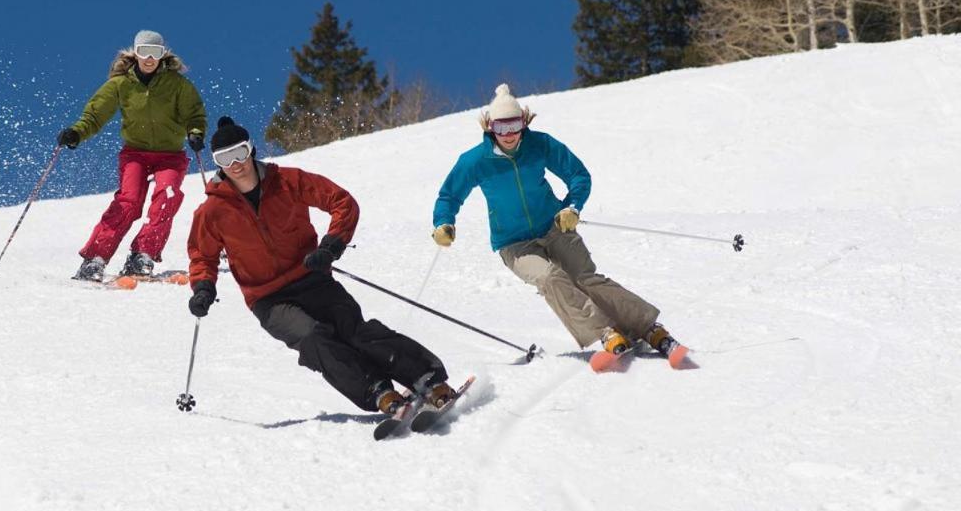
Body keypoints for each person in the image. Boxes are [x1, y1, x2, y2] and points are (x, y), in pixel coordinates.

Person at [186, 116, 456, 414]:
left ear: (251, 149)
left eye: (239, 152)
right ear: (216, 164)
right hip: (267, 298)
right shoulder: (212, 211)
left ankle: (427, 378)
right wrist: (202, 287)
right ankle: (378, 391)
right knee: (313, 339)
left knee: (355, 332)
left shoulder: (288, 181)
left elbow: (341, 201)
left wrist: (331, 245)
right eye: (224, 158)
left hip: (311, 277)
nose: (235, 163)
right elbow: (202, 254)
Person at [431, 83, 683, 367]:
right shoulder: (475, 161)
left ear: (524, 122)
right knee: (550, 278)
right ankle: (606, 331)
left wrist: (572, 207)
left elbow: (578, 174)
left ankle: (649, 328)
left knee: (586, 279)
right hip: (513, 243)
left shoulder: (540, 145)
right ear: (490, 127)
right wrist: (443, 223)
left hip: (554, 226)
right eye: (501, 128)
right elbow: (449, 195)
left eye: (514, 125)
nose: (509, 135)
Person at [58, 30, 207, 282]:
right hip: (135, 153)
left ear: (163, 55)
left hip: (170, 155)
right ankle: (95, 258)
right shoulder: (121, 84)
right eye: (144, 52)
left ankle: (143, 254)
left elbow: (195, 115)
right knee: (128, 201)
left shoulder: (178, 85)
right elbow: (95, 115)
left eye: (155, 53)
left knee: (167, 197)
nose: (149, 59)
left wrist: (195, 132)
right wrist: (76, 132)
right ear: (135, 53)